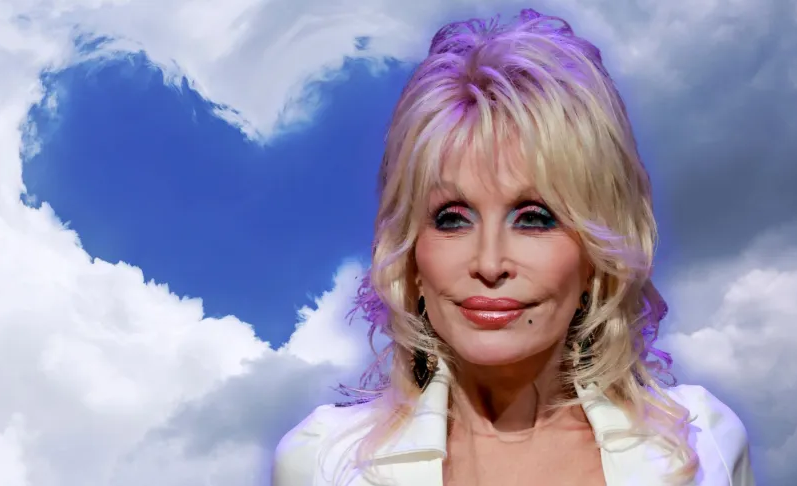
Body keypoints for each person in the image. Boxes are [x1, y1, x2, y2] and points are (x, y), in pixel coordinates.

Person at [272, 8, 754, 486]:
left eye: (534, 218)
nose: (489, 263)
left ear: (595, 256)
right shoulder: (321, 463)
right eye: (452, 218)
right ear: (411, 258)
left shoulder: (703, 443)